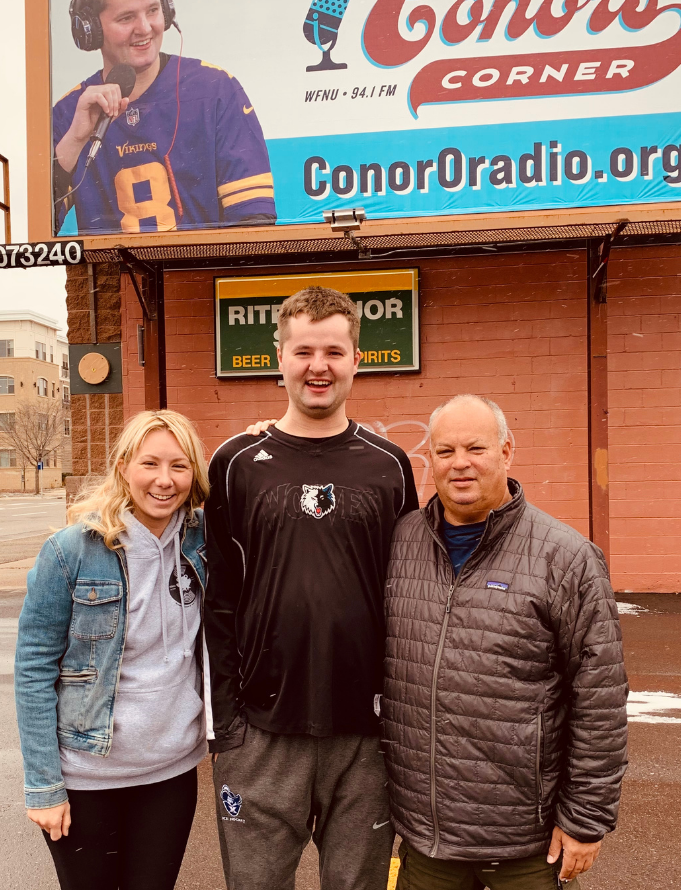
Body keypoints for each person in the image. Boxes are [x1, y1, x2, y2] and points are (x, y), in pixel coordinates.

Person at [205, 285, 420, 890]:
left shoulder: (391, 465)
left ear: (358, 358)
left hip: (366, 733)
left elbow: (409, 594)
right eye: (303, 351)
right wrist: (228, 724)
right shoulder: (236, 462)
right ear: (279, 357)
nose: (317, 366)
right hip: (261, 732)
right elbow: (217, 602)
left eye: (333, 351)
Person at [382, 394, 628, 889]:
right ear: (429, 458)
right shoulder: (400, 542)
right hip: (427, 842)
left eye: (476, 448)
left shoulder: (567, 558)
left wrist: (585, 818)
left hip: (526, 846)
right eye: (445, 451)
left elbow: (600, 700)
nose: (461, 464)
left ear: (507, 452)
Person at [14, 410, 210, 890]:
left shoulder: (205, 543)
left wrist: (265, 434)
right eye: (150, 464)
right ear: (124, 466)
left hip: (171, 773)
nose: (164, 481)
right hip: (87, 777)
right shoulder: (72, 551)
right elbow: (33, 668)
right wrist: (44, 786)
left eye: (179, 466)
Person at [53, 0, 276, 235]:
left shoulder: (216, 90)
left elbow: (254, 223)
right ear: (90, 29)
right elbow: (38, 232)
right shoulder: (70, 112)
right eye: (126, 18)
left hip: (202, 277)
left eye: (153, 11)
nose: (144, 28)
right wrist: (74, 140)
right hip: (109, 280)